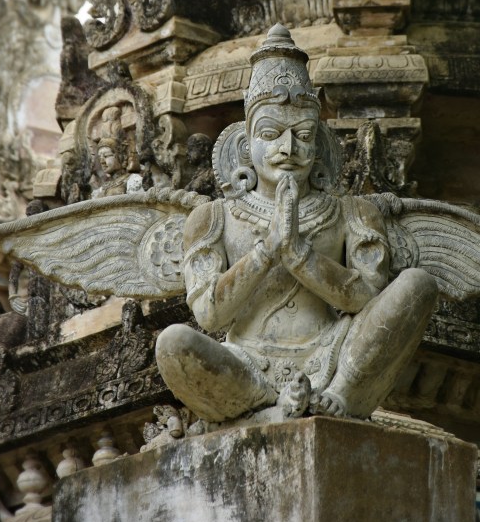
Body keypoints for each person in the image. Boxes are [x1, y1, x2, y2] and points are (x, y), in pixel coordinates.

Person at [155, 25, 438, 422]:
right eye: (271, 134)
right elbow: (210, 316)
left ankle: (340, 395)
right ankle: (261, 408)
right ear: (244, 142)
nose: (288, 148)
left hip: (335, 353)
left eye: (303, 135)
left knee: (416, 284)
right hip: (246, 363)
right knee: (173, 343)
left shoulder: (353, 212)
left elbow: (366, 300)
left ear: (319, 142)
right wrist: (268, 248)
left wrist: (298, 253)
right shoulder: (213, 217)